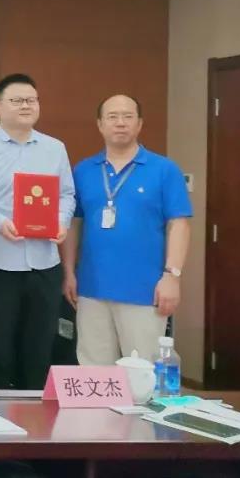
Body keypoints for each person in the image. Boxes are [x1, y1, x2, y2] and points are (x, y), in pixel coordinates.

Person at [0, 73, 75, 389]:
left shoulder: (55, 148)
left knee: (40, 345)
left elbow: (67, 195)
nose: (26, 105)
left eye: (32, 100)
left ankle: (35, 414)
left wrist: (61, 221)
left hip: (45, 263)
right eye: (17, 100)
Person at [62, 94, 192, 365]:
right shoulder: (83, 170)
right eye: (112, 117)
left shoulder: (164, 170)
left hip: (144, 289)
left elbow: (179, 224)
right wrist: (69, 272)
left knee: (144, 369)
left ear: (139, 124)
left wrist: (172, 276)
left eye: (127, 116)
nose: (120, 123)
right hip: (91, 288)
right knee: (94, 370)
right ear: (100, 124)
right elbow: (74, 223)